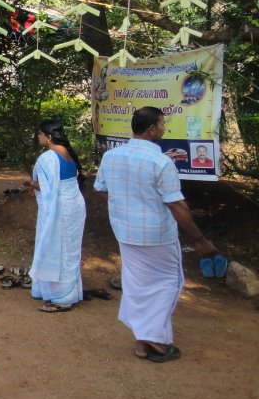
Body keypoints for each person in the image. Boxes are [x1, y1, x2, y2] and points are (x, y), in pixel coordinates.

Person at [94, 106, 218, 363]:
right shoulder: (161, 162)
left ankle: (142, 342)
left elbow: (101, 189)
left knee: (137, 285)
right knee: (167, 284)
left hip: (125, 231)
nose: (164, 128)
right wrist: (199, 238)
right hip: (157, 235)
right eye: (162, 124)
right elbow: (177, 205)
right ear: (151, 129)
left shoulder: (111, 157)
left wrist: (126, 205)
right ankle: (154, 341)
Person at [22, 120, 86, 313]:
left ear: (48, 137)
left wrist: (31, 183)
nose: (39, 137)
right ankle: (64, 291)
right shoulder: (67, 153)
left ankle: (62, 297)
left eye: (40, 134)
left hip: (60, 209)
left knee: (56, 248)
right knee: (68, 250)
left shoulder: (47, 158)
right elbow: (61, 185)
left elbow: (49, 191)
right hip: (74, 206)